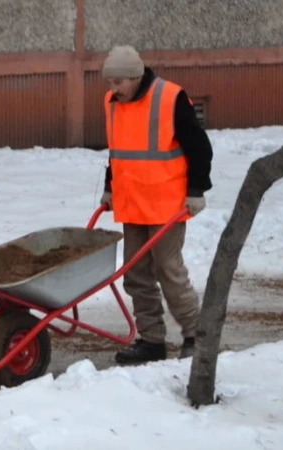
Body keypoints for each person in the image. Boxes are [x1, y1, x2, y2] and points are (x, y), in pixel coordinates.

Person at [98, 45, 213, 364]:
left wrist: (197, 190)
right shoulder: (112, 103)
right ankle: (151, 340)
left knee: (168, 269)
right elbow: (118, 151)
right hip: (133, 203)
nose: (112, 89)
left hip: (167, 204)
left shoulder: (170, 98)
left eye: (118, 82)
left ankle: (195, 334)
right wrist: (110, 187)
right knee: (136, 275)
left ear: (135, 77)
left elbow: (199, 148)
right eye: (109, 82)